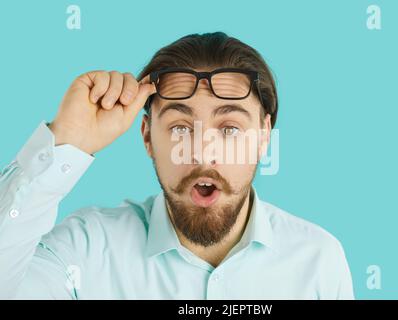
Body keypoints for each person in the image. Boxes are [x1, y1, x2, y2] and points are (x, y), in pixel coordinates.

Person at [0, 32, 354, 299]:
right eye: (181, 128)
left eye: (229, 128)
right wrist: (67, 143)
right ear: (148, 137)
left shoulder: (319, 261)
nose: (202, 153)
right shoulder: (85, 250)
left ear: (263, 136)